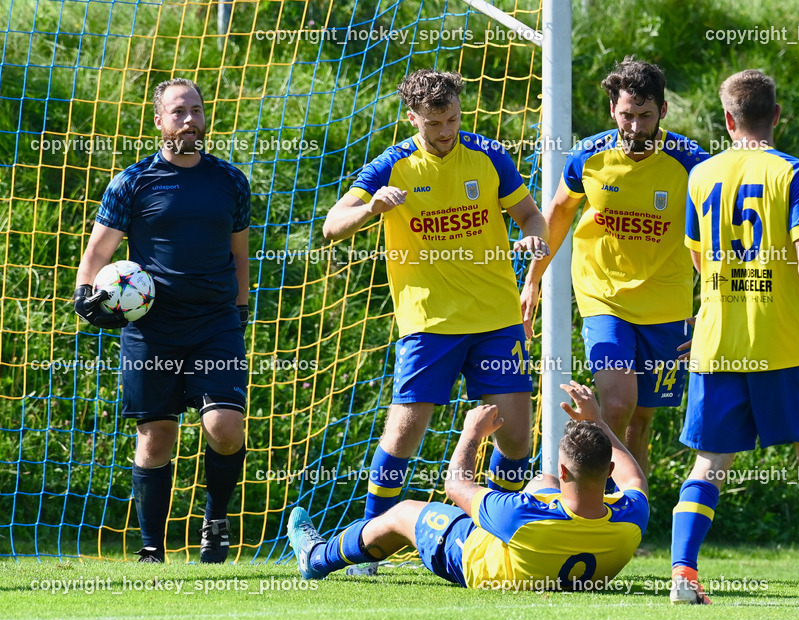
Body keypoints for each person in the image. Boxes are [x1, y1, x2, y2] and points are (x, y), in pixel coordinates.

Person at [321, 69, 549, 574]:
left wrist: (533, 239)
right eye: (433, 124)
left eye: (451, 119)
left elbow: (531, 215)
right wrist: (370, 209)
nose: (445, 131)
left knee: (515, 437)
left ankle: (498, 535)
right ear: (412, 119)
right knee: (404, 433)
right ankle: (370, 546)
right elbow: (331, 226)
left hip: (495, 315)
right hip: (428, 320)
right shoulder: (393, 164)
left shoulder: (489, 155)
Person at [670, 69, 799, 606]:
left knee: (709, 464)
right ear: (777, 116)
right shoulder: (795, 173)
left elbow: (698, 259)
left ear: (729, 120)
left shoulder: (702, 175)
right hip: (783, 343)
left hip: (717, 343)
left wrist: (715, 308)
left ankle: (684, 576)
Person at [74, 78, 251, 563]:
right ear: (158, 121)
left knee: (225, 427)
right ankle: (152, 547)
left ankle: (216, 526)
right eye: (179, 111)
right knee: (156, 437)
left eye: (196, 109)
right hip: (152, 330)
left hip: (216, 323)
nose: (191, 119)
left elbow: (240, 254)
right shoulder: (131, 182)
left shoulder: (230, 180)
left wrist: (240, 309)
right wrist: (84, 295)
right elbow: (99, 250)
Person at [521, 57, 709, 476]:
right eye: (627, 115)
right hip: (603, 296)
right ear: (613, 111)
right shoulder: (588, 157)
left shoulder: (693, 164)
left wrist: (712, 306)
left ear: (663, 111)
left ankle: (633, 518)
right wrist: (532, 280)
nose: (636, 127)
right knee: (618, 404)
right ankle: (593, 505)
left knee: (641, 421)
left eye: (645, 116)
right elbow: (557, 217)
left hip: (667, 302)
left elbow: (715, 242)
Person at [287, 381, 649, 591]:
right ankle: (492, 509)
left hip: (472, 559)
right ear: (609, 471)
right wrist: (598, 420)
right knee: (542, 481)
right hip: (552, 548)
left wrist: (471, 434)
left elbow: (455, 485)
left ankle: (316, 557)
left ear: (568, 471)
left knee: (402, 514)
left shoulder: (521, 516)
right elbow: (634, 479)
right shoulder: (631, 518)